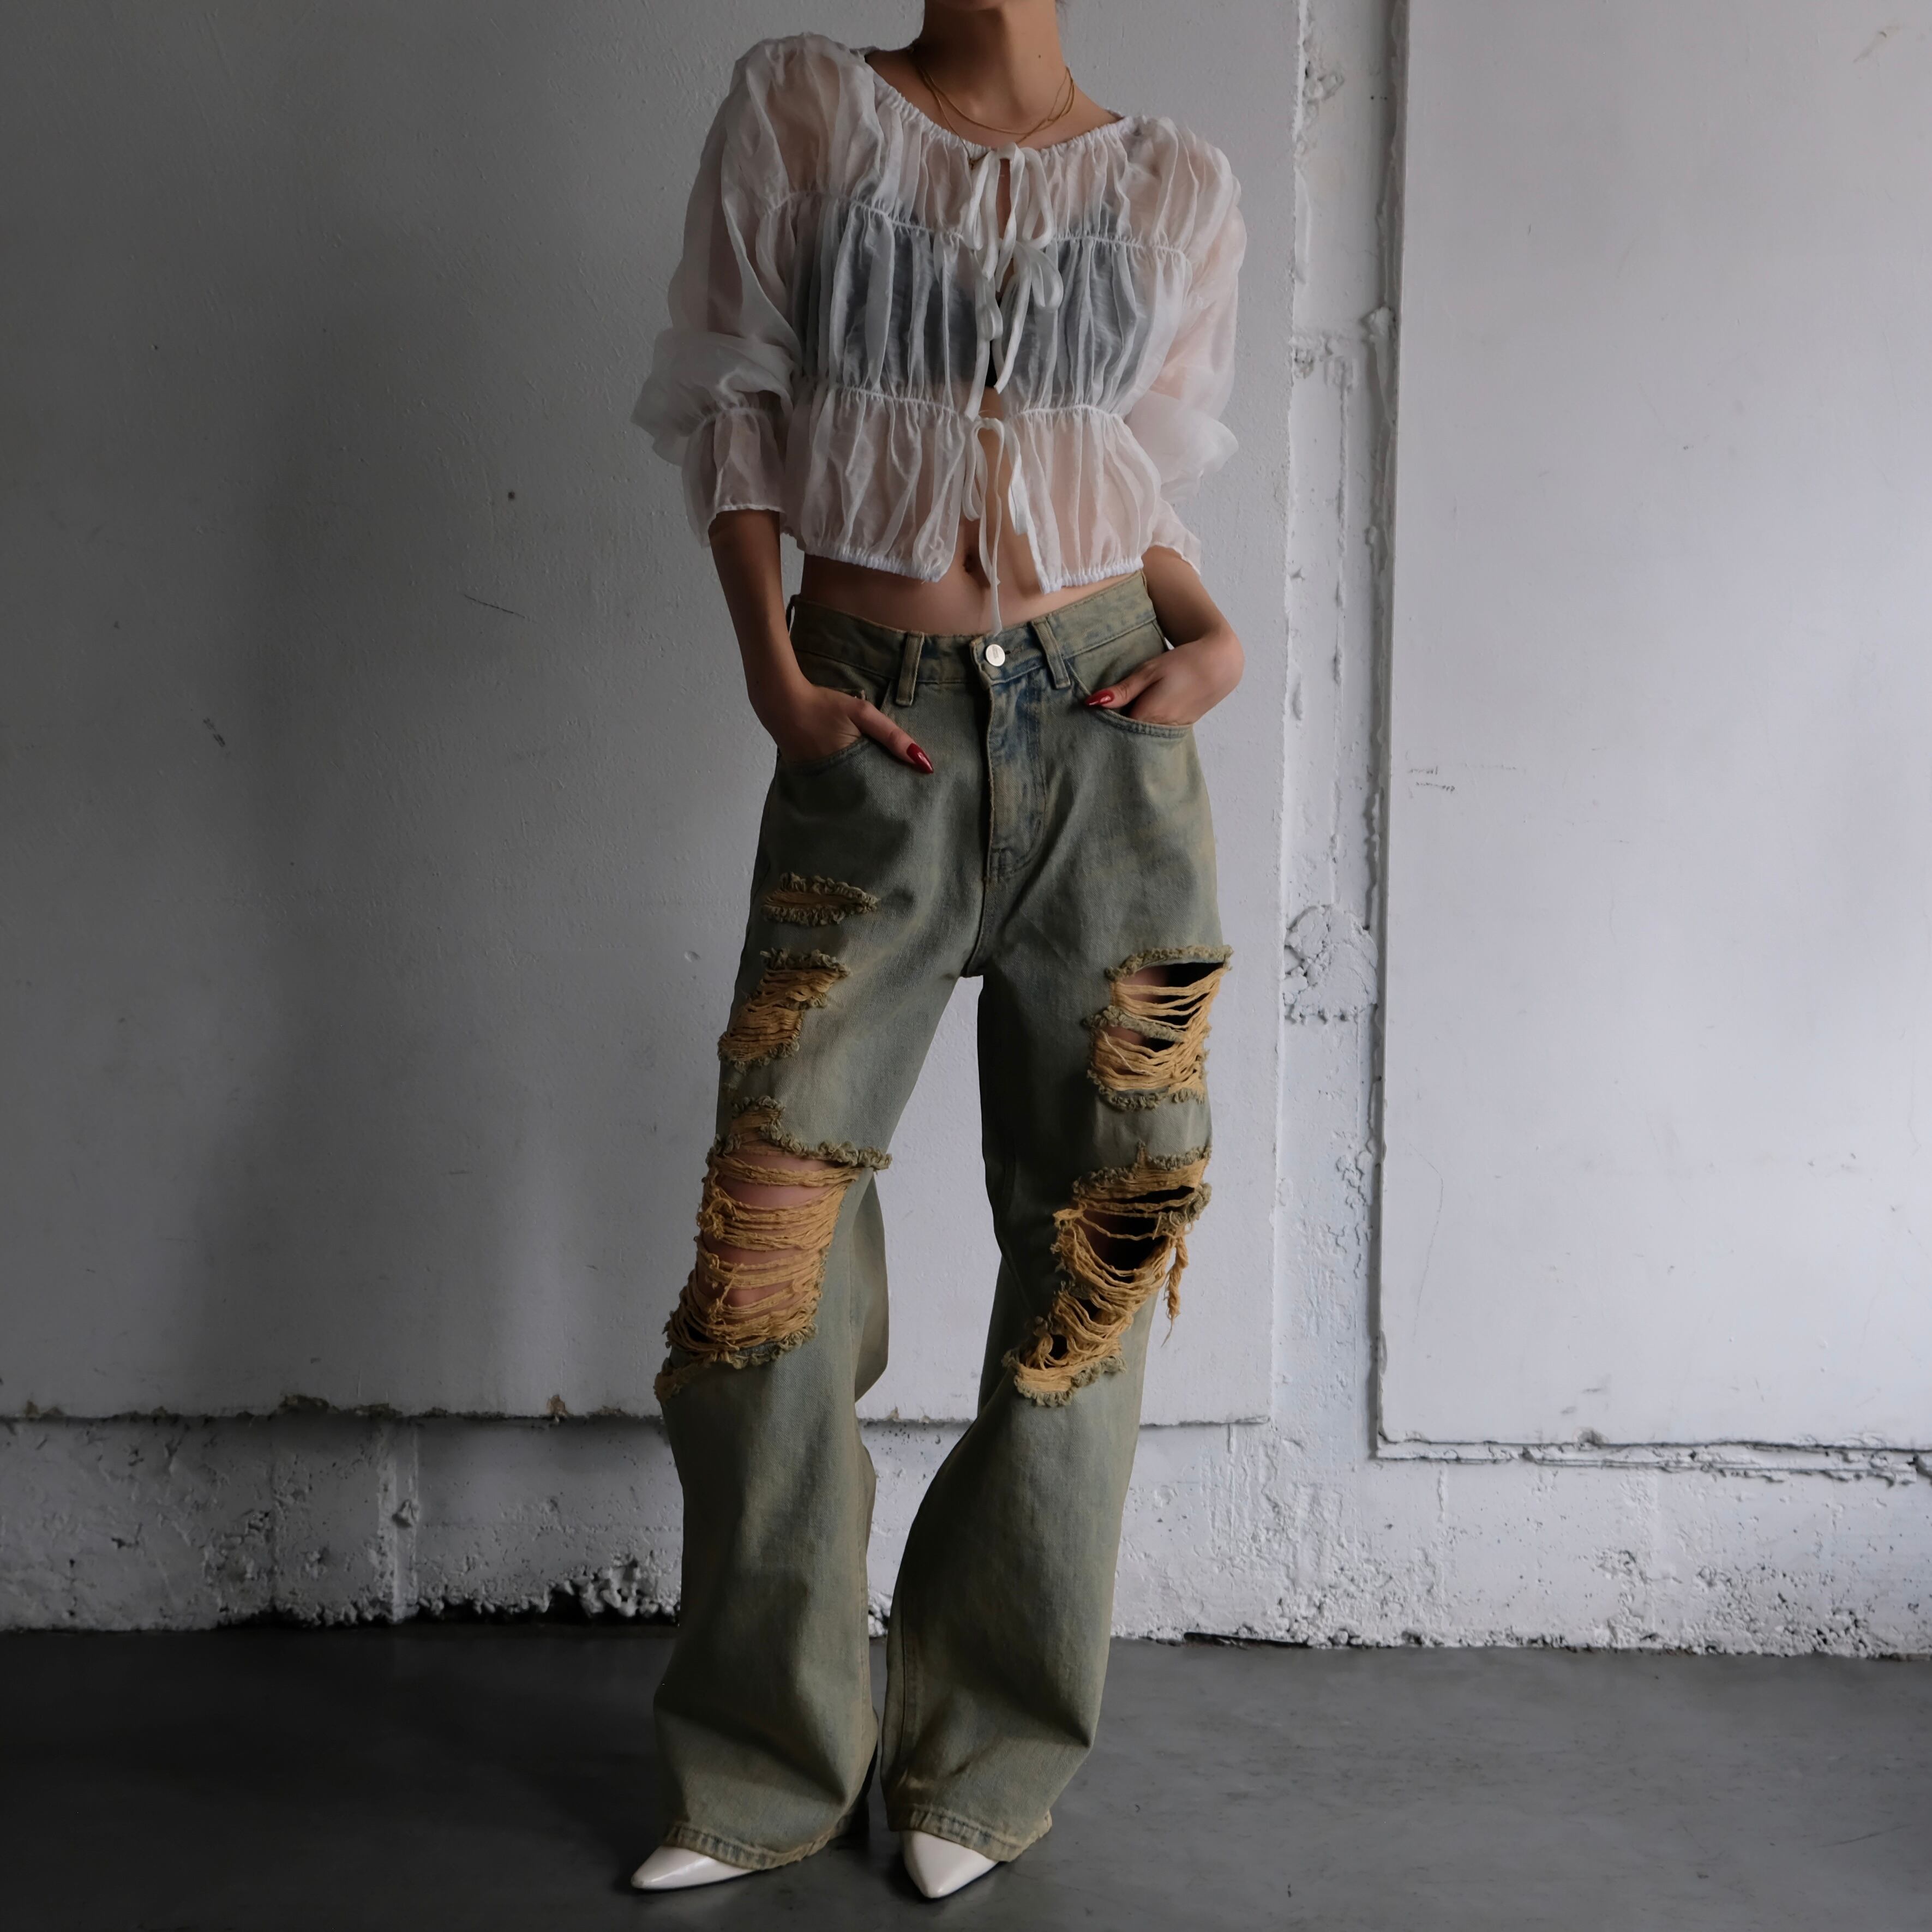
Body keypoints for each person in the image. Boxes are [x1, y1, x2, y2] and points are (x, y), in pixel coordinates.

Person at [626, 1, 1246, 1899]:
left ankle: (988, 1754)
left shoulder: (1176, 186)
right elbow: (735, 405)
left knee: (1101, 1235)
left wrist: (1212, 635)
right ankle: (764, 1760)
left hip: (1112, 739)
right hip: (870, 726)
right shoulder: (807, 108)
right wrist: (777, 677)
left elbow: (1126, 485)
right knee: (773, 1241)